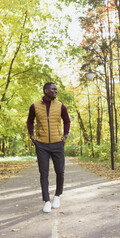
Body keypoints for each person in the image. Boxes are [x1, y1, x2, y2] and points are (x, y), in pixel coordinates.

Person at [27, 82, 70, 213]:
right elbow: (30, 121)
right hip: (41, 144)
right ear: (46, 90)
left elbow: (67, 121)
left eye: (56, 89)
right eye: (53, 89)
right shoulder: (34, 106)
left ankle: (57, 196)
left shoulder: (61, 106)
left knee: (60, 171)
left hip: (58, 143)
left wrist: (65, 135)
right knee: (43, 173)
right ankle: (46, 201)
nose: (56, 91)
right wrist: (32, 136)